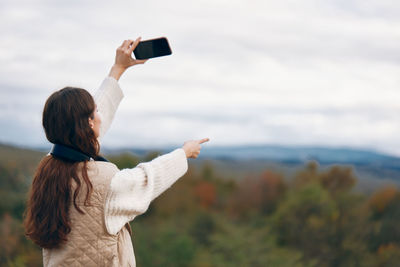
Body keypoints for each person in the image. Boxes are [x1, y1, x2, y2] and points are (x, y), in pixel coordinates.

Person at [23, 37, 209, 266]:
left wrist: (118, 69)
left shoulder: (49, 167)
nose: (100, 114)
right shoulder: (105, 185)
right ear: (89, 123)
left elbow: (88, 120)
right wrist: (183, 153)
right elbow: (147, 179)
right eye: (95, 113)